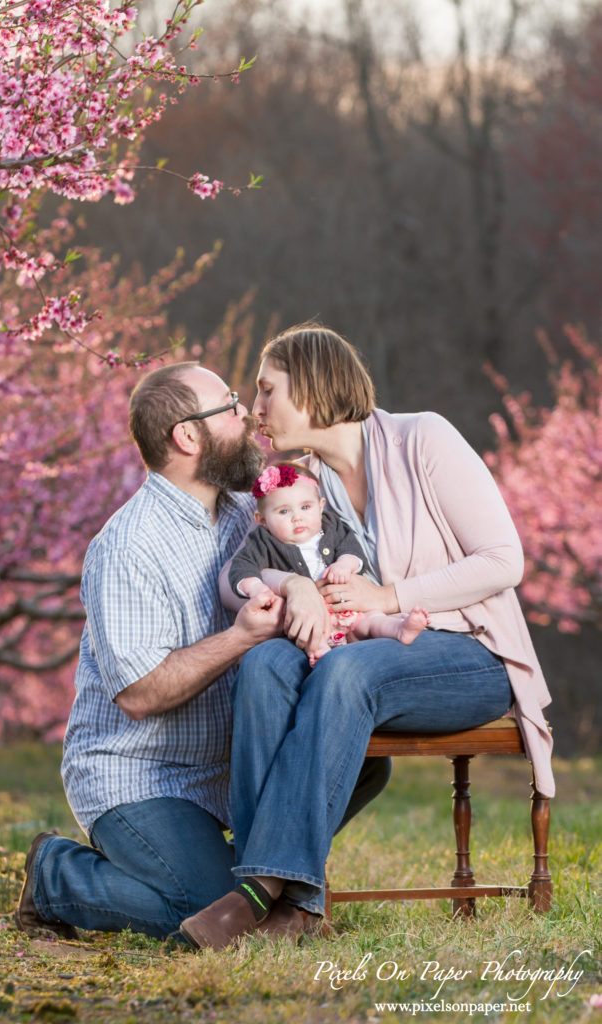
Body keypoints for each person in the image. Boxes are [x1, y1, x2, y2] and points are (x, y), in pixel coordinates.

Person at [179, 323, 555, 950]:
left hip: (469, 656)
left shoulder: (423, 439)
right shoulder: (300, 486)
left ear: (315, 387)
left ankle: (261, 891)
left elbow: (502, 560)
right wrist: (292, 585)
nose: (258, 409)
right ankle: (291, 911)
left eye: (268, 390)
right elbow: (238, 572)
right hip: (357, 656)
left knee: (345, 672)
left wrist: (389, 597)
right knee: (266, 664)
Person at [14, 362, 287, 940]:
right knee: (206, 914)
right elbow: (140, 693)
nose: (247, 416)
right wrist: (241, 637)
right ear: (189, 436)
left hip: (225, 770)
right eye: (231, 407)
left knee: (356, 765)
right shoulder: (127, 546)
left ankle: (273, 879)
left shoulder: (245, 515)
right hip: (139, 773)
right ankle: (54, 876)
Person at [228, 461, 429, 663]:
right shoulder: (263, 541)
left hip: (349, 609)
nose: (297, 517)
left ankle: (399, 630)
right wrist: (254, 588)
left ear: (321, 506)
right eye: (283, 512)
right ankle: (318, 650)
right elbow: (242, 566)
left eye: (305, 507)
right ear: (262, 519)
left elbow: (352, 549)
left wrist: (344, 564)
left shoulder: (332, 526)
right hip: (308, 615)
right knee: (304, 630)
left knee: (372, 620)